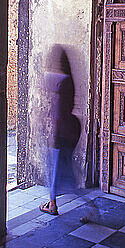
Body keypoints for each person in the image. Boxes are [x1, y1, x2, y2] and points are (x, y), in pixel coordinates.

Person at [39, 45, 81, 216]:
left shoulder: (49, 79)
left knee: (54, 169)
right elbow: (69, 106)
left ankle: (53, 204)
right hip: (71, 128)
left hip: (58, 130)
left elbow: (50, 109)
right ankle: (56, 201)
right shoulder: (68, 79)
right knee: (63, 167)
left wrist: (48, 130)